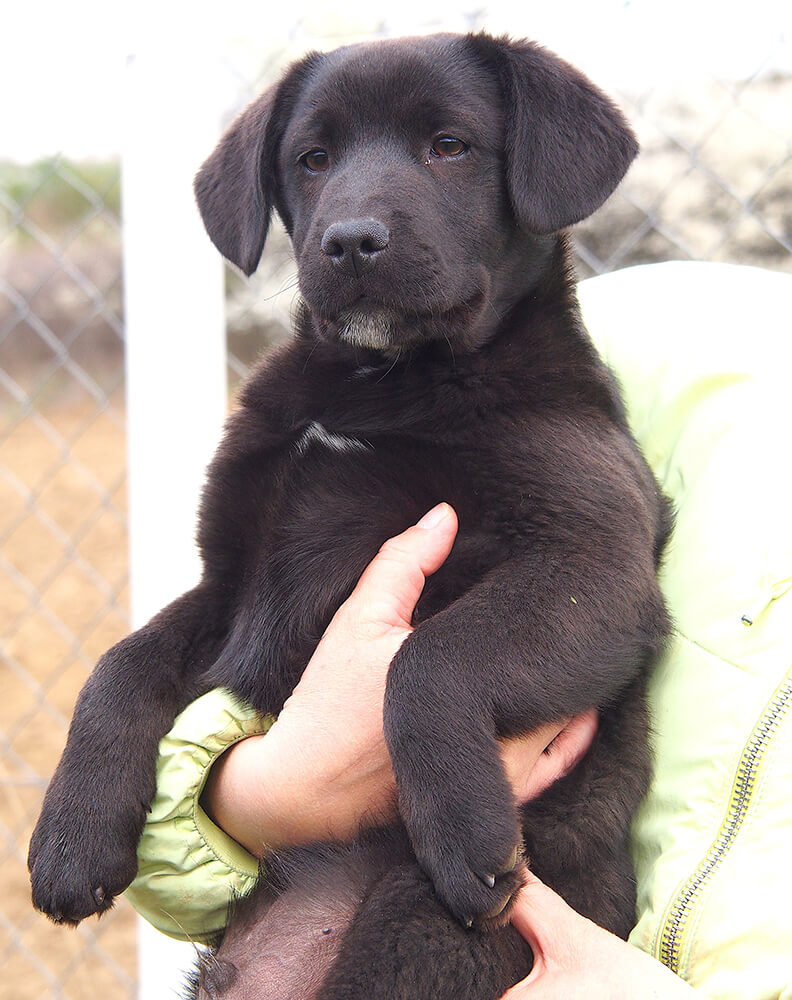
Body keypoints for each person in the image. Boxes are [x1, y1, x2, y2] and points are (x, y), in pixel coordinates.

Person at [126, 263, 792, 998]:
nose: (357, 224)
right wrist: (262, 793)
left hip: (517, 922)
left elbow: (604, 584)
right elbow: (247, 657)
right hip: (309, 903)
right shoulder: (651, 334)